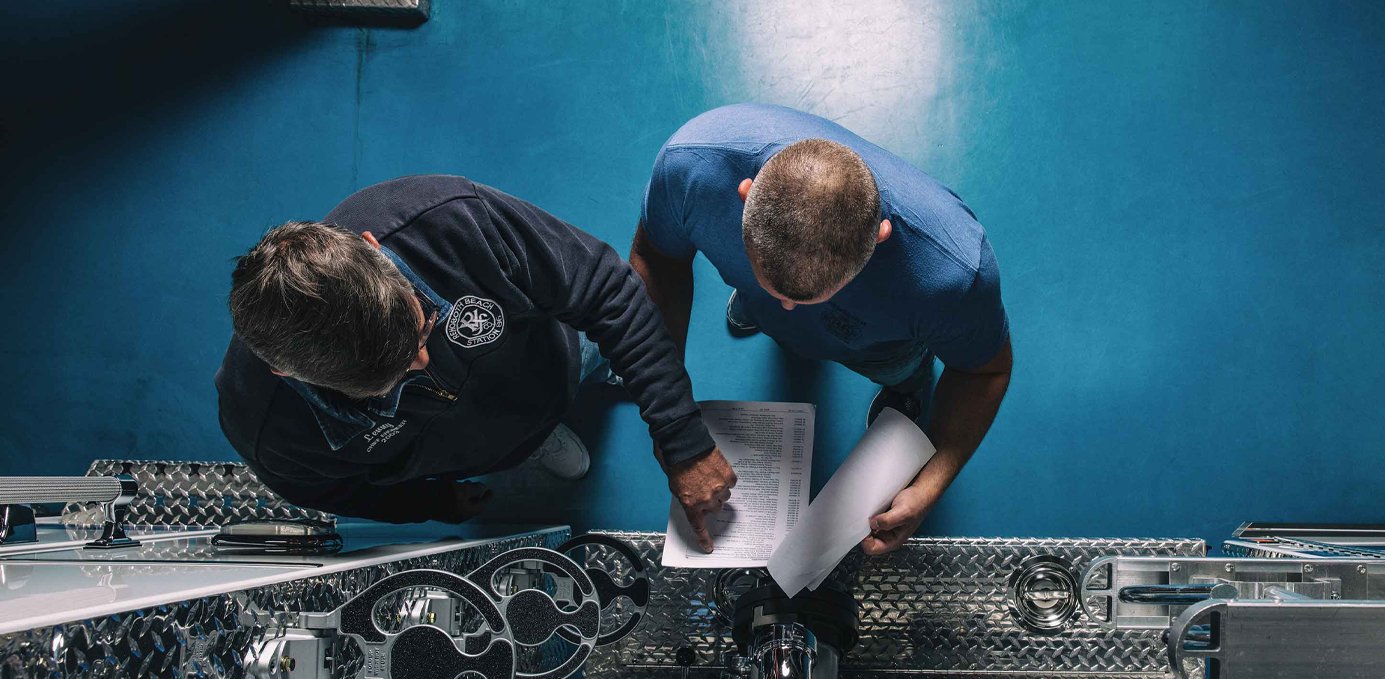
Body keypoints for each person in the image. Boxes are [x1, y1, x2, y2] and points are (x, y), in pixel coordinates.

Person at [216, 175, 736, 546]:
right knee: (515, 441)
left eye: (421, 325)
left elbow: (608, 291)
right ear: (283, 372)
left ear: (373, 248)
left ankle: (600, 367)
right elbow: (338, 490)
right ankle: (528, 444)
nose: (422, 361)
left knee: (606, 343)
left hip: (550, 354)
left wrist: (682, 441)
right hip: (473, 453)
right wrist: (431, 504)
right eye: (387, 381)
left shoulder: (450, 219)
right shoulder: (268, 431)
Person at [629, 105, 1012, 555]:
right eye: (774, 286)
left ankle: (904, 386)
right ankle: (763, 299)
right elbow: (657, 259)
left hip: (877, 345)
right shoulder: (690, 167)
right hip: (790, 292)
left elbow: (984, 372)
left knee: (900, 367)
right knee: (773, 308)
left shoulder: (953, 274)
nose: (788, 306)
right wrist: (673, 424)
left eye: (805, 297)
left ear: (880, 236)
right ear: (746, 194)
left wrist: (931, 484)